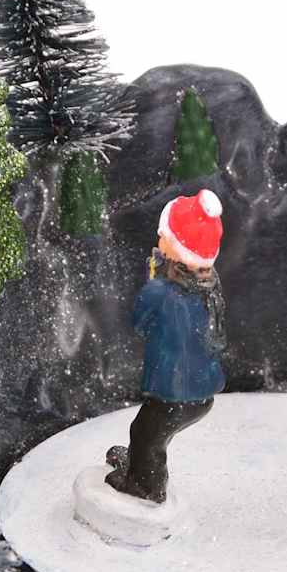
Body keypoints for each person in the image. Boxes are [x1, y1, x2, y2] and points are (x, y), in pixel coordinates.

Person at [106, 189, 226, 504]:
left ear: (178, 248)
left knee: (146, 435)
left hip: (175, 392)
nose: (159, 236)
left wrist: (153, 280)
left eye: (165, 235)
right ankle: (138, 465)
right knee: (150, 432)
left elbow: (140, 323)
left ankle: (146, 488)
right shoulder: (209, 285)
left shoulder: (161, 292)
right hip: (202, 390)